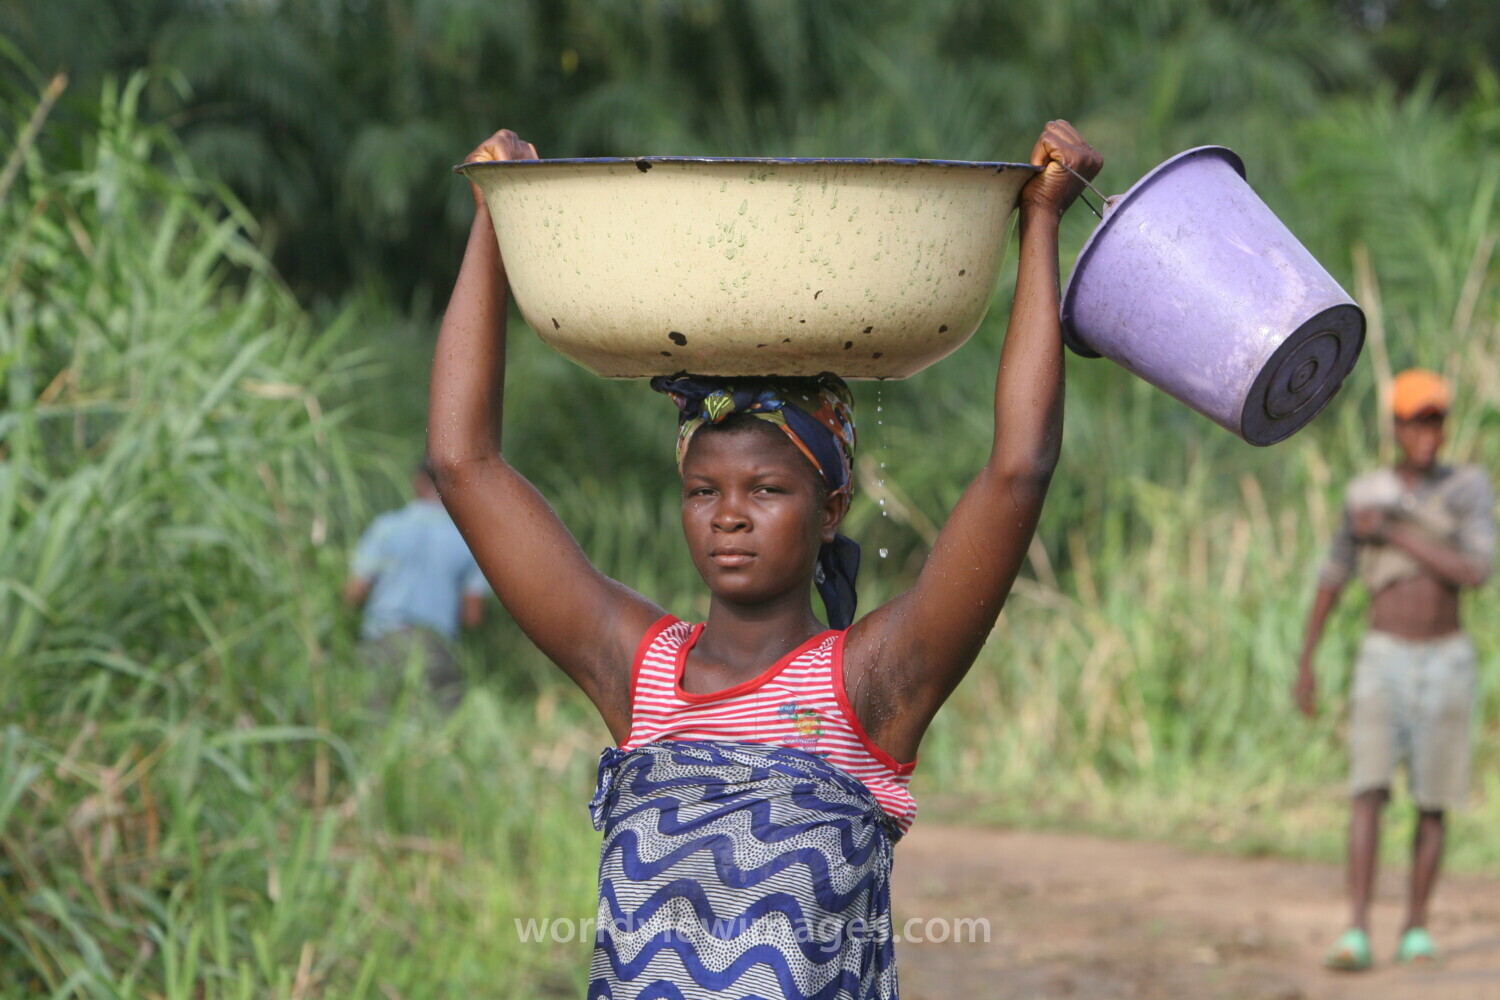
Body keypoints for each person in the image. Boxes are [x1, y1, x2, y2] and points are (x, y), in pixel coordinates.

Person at [427, 122, 1100, 998]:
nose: (730, 517)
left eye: (766, 491)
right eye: (704, 491)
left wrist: (1039, 224)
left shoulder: (868, 687)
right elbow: (462, 465)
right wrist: (494, 217)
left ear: (831, 510)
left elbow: (1018, 471)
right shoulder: (639, 676)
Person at [1295, 368, 1493, 971]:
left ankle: (1415, 928)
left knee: (1433, 799)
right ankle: (1356, 929)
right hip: (1383, 654)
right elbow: (1333, 576)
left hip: (1446, 657)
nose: (1429, 433)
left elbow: (1474, 571)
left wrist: (1395, 531)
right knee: (1367, 791)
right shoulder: (1364, 493)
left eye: (1436, 420)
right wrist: (1307, 660)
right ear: (1397, 428)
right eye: (1418, 421)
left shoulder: (1466, 488)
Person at [344, 464, 489, 710]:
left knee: (373, 724)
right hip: (436, 645)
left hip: (383, 639)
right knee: (437, 730)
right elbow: (472, 616)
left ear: (418, 483)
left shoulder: (386, 527)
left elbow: (355, 592)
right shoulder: (469, 540)